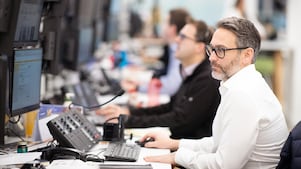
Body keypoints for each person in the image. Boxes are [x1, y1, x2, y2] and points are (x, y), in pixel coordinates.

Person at [140, 17, 289, 168]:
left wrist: (177, 156)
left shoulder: (243, 94)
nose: (211, 57)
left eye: (220, 50)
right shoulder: (241, 84)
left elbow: (223, 165)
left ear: (247, 55)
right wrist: (174, 143)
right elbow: (220, 143)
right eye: (211, 49)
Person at [97, 19, 220, 139]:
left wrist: (128, 120)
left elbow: (180, 120)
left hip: (187, 149)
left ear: (199, 47)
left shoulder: (206, 79)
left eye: (183, 37)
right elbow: (171, 107)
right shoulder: (192, 72)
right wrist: (130, 112)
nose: (177, 39)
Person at [122, 8, 190, 96]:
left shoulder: (178, 51)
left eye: (165, 23)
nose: (162, 27)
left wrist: (137, 87)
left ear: (172, 29)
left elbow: (171, 86)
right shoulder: (172, 48)